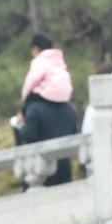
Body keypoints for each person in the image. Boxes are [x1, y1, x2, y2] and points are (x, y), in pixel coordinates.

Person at [13, 34, 78, 185]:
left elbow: (29, 135)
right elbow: (74, 133)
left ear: (35, 49)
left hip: (43, 173)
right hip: (65, 170)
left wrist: (19, 125)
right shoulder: (69, 109)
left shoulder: (34, 109)